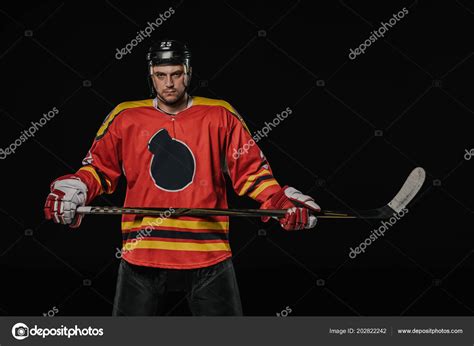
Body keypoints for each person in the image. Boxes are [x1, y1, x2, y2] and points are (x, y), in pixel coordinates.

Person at [44, 40, 321, 316]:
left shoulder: (220, 114)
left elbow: (251, 172)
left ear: (188, 72)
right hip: (143, 251)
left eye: (176, 74)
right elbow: (99, 169)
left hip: (208, 253)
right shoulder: (126, 116)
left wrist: (279, 200)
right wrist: (75, 189)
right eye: (161, 75)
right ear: (151, 75)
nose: (169, 83)